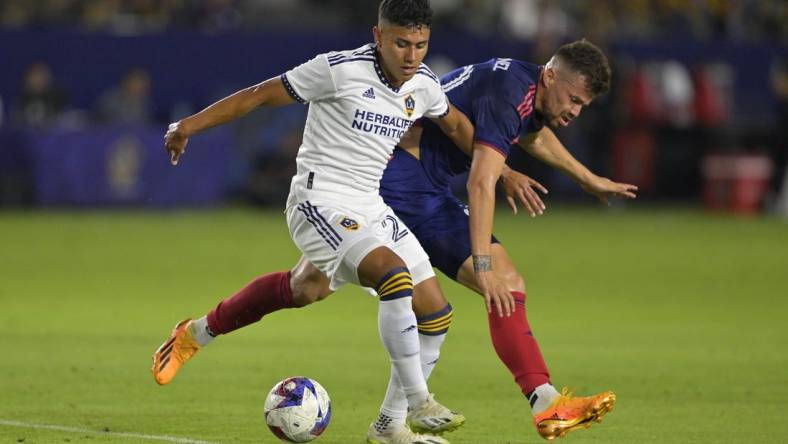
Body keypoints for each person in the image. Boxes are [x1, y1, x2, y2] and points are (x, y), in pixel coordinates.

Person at [155, 39, 637, 442]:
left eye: (582, 106)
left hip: (408, 184)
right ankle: (537, 404)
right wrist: (483, 263)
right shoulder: (507, 90)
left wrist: (586, 177)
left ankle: (195, 333)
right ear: (552, 76)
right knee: (498, 283)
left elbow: (524, 132)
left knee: (306, 286)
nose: (575, 112)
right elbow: (479, 182)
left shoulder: (525, 87)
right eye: (574, 99)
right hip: (402, 185)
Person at [152, 2, 479, 444]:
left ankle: (387, 428)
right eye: (401, 43)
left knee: (428, 312)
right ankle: (420, 403)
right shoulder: (337, 69)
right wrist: (188, 125)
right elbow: (259, 95)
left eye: (420, 45)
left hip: (369, 206)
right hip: (317, 199)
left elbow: (456, 123)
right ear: (379, 36)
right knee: (393, 278)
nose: (411, 55)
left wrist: (502, 167)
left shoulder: (423, 85)